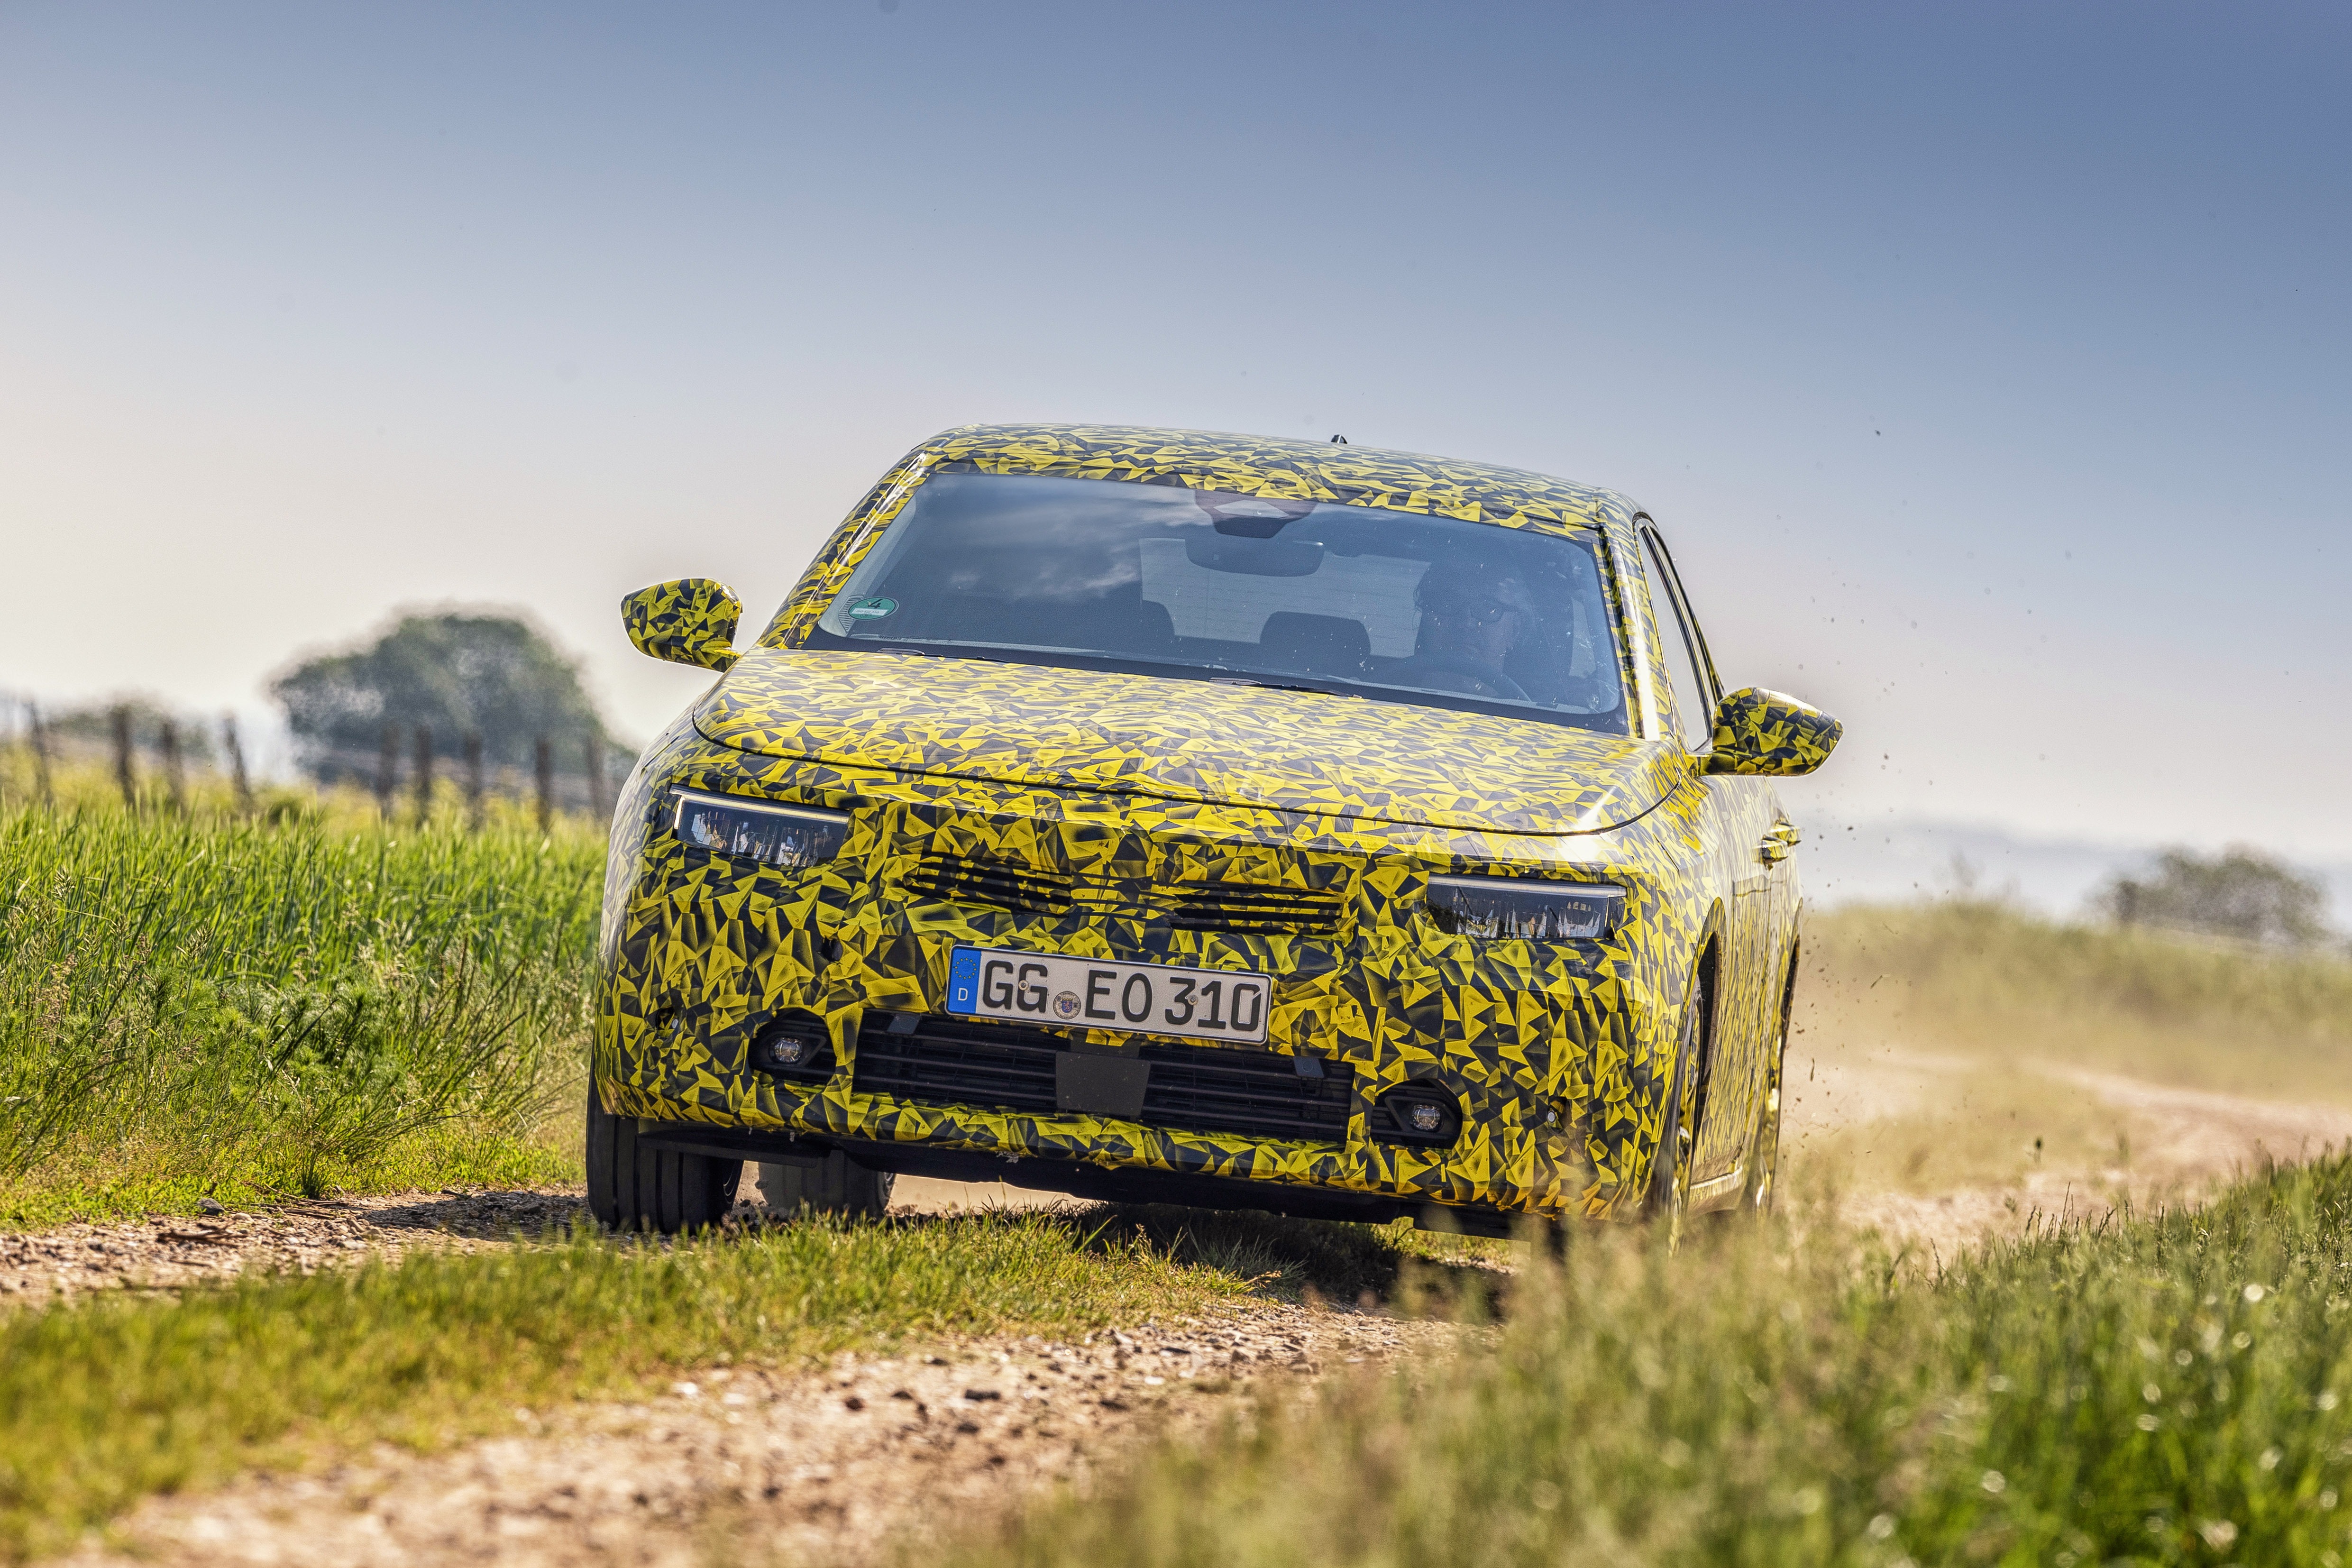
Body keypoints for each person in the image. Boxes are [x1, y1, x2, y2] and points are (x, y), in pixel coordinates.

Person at [1381, 557, 1537, 701]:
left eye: (1488, 607)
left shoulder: (1540, 724)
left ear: (1515, 631)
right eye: (1448, 601)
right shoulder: (1367, 699)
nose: (1465, 622)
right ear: (1427, 615)